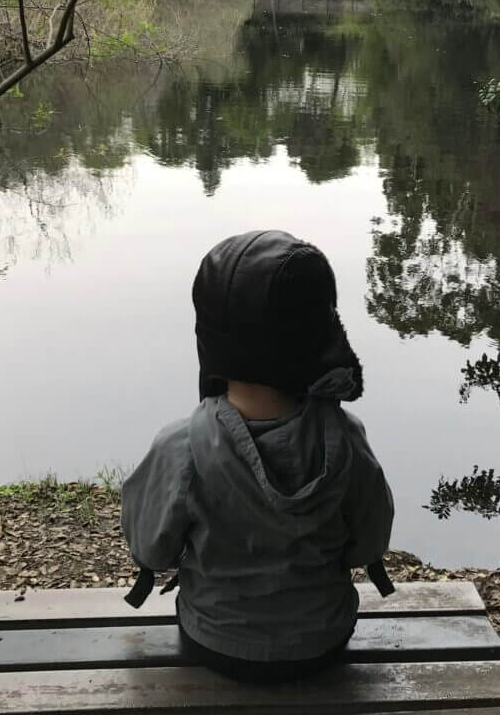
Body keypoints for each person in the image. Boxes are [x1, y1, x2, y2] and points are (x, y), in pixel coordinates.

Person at [120, 229, 395, 683]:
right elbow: (369, 542)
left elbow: (151, 547)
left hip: (214, 641)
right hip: (322, 640)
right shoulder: (347, 438)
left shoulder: (182, 445)